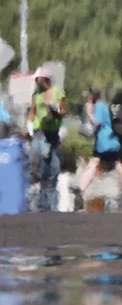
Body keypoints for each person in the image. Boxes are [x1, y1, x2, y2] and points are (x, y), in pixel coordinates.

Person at [78, 88, 122, 210]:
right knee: (118, 164)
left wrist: (89, 113)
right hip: (110, 141)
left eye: (88, 96)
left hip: (104, 143)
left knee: (95, 164)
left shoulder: (99, 106)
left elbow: (96, 123)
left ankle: (80, 190)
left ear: (93, 97)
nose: (87, 99)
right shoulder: (103, 105)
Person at [25, 67, 66, 212]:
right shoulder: (36, 94)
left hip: (52, 134)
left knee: (52, 169)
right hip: (39, 133)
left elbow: (63, 112)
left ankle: (51, 205)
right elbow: (32, 112)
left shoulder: (57, 92)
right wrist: (27, 127)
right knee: (37, 162)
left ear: (45, 79)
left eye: (38, 79)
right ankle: (40, 202)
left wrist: (54, 111)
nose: (36, 81)